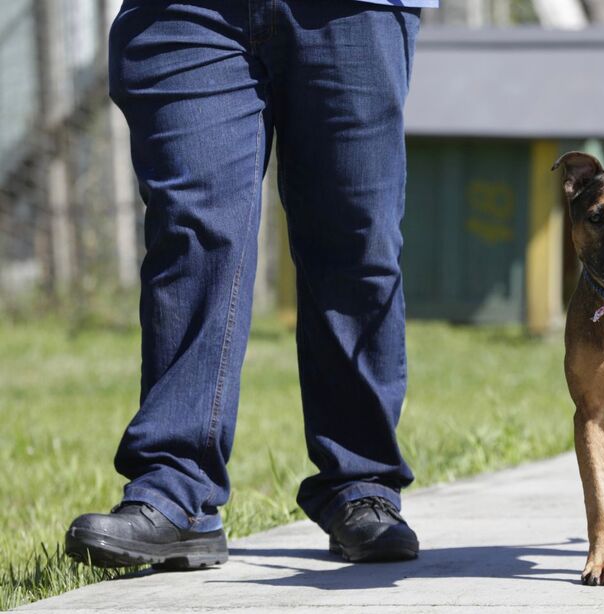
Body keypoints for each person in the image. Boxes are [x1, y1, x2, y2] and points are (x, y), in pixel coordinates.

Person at [65, 0, 438, 569]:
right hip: (184, 11)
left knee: (356, 239)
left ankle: (362, 484)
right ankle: (176, 491)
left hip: (353, 11)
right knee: (192, 232)